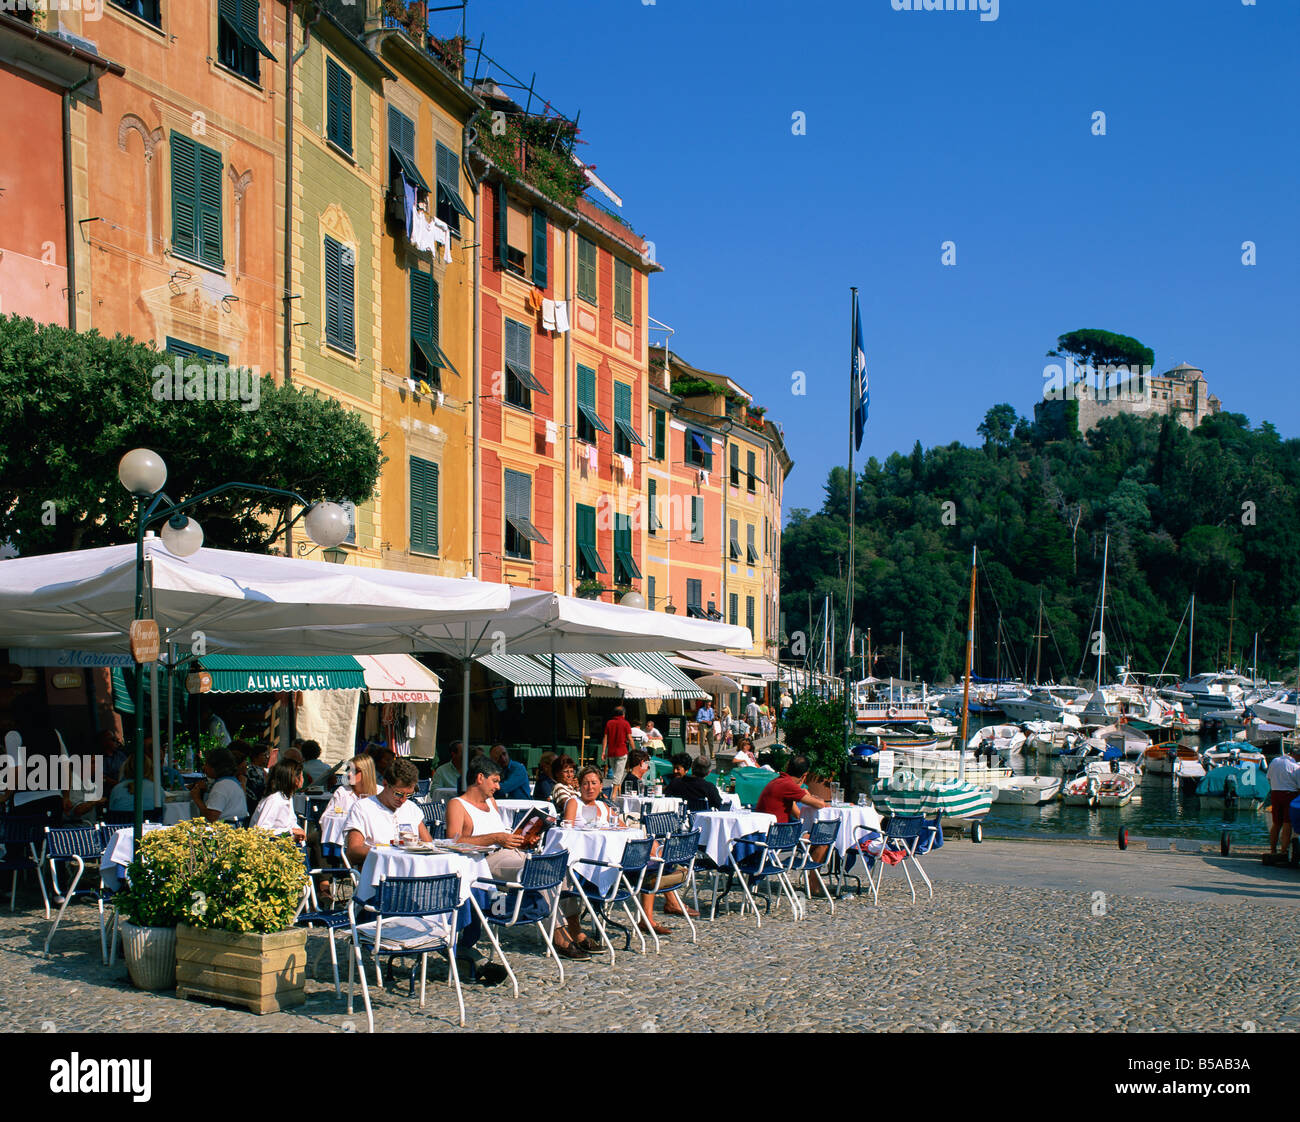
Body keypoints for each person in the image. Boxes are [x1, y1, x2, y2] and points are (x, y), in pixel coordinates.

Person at [754, 754, 832, 894]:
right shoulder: (788, 785)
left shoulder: (779, 782)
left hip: (766, 832)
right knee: (822, 840)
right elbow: (820, 804)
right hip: (777, 836)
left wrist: (801, 794)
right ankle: (814, 884)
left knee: (813, 838)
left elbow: (797, 814)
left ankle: (812, 880)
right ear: (805, 774)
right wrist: (806, 793)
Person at [445, 757, 531, 879]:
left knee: (552, 869)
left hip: (509, 854)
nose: (498, 787)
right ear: (480, 778)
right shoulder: (457, 804)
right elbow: (453, 841)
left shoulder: (490, 801)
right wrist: (495, 838)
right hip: (482, 862)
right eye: (495, 781)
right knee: (533, 872)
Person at [343, 758, 431, 866]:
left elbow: (428, 844)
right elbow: (353, 852)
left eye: (408, 795)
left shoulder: (411, 808)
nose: (403, 800)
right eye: (398, 794)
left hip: (411, 873)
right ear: (385, 784)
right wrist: (388, 853)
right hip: (379, 874)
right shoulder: (363, 808)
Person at [251, 760, 307, 841]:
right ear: (294, 778)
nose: (303, 779)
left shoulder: (287, 796)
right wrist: (290, 832)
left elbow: (290, 822)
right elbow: (261, 830)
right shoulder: (275, 799)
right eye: (301, 776)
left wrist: (298, 830)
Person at [189, 747, 248, 822]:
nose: (204, 767)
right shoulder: (232, 782)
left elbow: (212, 817)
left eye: (207, 764)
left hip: (225, 829)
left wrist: (197, 799)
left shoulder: (221, 786)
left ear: (215, 767)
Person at [1265, 744, 1300, 862]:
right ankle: (1283, 851)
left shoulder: (1275, 761)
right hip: (1290, 795)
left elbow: (1269, 777)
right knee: (1287, 823)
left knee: (1276, 823)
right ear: (1296, 754)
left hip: (1275, 793)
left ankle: (1273, 849)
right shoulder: (1295, 766)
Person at [601, 706, 633, 795]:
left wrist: (603, 751)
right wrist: (634, 749)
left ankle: (619, 793)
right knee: (618, 775)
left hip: (611, 752)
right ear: (623, 714)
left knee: (616, 774)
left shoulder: (609, 723)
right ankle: (613, 796)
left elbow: (605, 738)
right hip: (622, 751)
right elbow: (630, 738)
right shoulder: (626, 723)